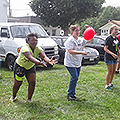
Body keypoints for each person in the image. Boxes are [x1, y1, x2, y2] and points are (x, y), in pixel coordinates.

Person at [10, 33, 57, 103]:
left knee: (32, 82)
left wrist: (48, 61)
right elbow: (30, 57)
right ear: (28, 41)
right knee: (18, 84)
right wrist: (39, 63)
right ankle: (13, 96)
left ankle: (29, 99)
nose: (34, 42)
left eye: (35, 40)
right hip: (20, 66)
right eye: (32, 40)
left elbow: (43, 56)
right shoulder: (25, 48)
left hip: (30, 67)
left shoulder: (38, 48)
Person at [64, 25, 93, 101]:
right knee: (74, 77)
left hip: (77, 63)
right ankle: (70, 95)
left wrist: (90, 30)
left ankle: (72, 94)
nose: (78, 32)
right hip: (70, 62)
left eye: (79, 30)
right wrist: (81, 52)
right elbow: (70, 51)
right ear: (72, 31)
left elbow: (90, 39)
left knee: (75, 78)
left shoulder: (80, 40)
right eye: (76, 31)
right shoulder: (70, 40)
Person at [104, 25, 119, 91]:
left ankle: (110, 83)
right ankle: (107, 85)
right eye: (115, 29)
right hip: (109, 57)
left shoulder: (116, 38)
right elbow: (105, 49)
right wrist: (112, 54)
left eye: (117, 30)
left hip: (115, 57)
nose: (116, 31)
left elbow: (117, 47)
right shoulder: (109, 38)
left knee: (113, 71)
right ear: (111, 30)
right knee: (109, 71)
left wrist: (119, 54)